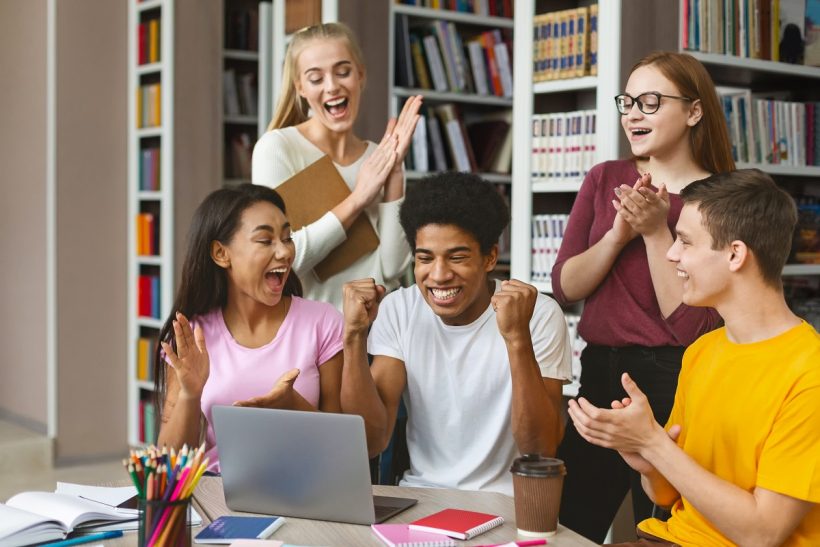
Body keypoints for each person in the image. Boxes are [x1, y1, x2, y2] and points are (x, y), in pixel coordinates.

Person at [567, 169, 820, 546]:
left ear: (735, 254)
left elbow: (763, 534)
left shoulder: (809, 373)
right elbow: (666, 497)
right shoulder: (702, 351)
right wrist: (645, 457)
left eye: (685, 241)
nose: (671, 254)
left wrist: (655, 444)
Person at [553, 50, 736, 541]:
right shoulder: (604, 178)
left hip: (674, 380)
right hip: (599, 372)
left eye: (650, 101)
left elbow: (688, 322)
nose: (632, 113)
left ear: (694, 111)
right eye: (628, 101)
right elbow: (565, 287)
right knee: (569, 525)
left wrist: (657, 231)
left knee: (658, 529)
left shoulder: (720, 199)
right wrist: (617, 236)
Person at [339, 172, 572, 496]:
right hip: (421, 498)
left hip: (506, 505)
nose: (439, 275)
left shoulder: (538, 315)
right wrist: (353, 337)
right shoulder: (399, 309)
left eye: (457, 257)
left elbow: (540, 450)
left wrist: (517, 339)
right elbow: (371, 441)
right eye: (425, 258)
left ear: (490, 257)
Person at [153, 184, 344, 473]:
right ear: (221, 254)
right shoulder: (192, 335)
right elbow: (169, 463)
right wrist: (190, 394)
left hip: (307, 487)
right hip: (220, 490)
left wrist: (294, 405)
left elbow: (342, 448)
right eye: (265, 240)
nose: (284, 252)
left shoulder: (324, 322)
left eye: (287, 238)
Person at [252, 22, 422, 310]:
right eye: (316, 78)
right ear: (300, 87)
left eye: (343, 72)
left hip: (376, 333)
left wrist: (394, 172)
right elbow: (278, 260)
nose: (332, 86)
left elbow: (392, 269)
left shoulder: (377, 157)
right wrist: (358, 199)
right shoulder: (278, 148)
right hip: (312, 338)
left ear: (360, 76)